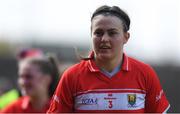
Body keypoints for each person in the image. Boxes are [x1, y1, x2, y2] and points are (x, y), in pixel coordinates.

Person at [47, 5, 170, 113]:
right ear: (91, 34)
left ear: (126, 37)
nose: (104, 39)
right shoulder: (71, 76)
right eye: (98, 33)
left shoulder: (145, 73)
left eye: (112, 33)